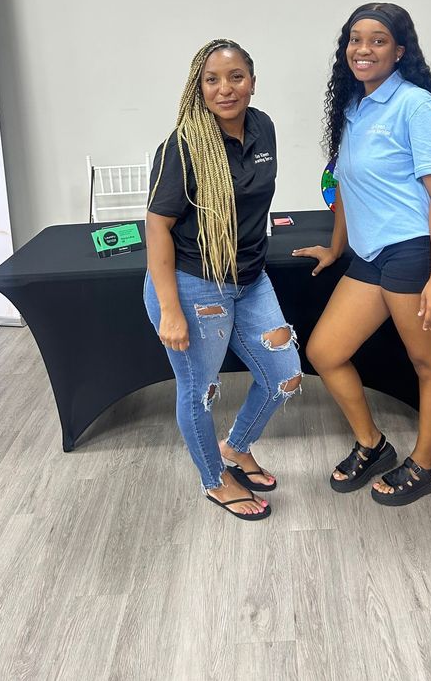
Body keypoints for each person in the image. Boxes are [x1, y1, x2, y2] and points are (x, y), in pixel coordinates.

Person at [292, 3, 431, 506]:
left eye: (378, 40)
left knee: (427, 363)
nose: (363, 49)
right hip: (373, 255)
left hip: (416, 252)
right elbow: (345, 186)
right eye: (355, 39)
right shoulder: (353, 106)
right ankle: (373, 444)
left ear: (400, 51)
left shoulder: (415, 106)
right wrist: (336, 246)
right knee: (325, 352)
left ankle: (427, 465)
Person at [144, 38, 302, 521]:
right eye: (211, 80)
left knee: (284, 375)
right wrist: (170, 310)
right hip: (195, 285)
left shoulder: (264, 127)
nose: (225, 88)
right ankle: (214, 480)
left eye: (236, 77)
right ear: (199, 87)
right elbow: (157, 227)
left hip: (250, 279)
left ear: (252, 82)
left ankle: (235, 447)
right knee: (200, 392)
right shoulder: (182, 147)